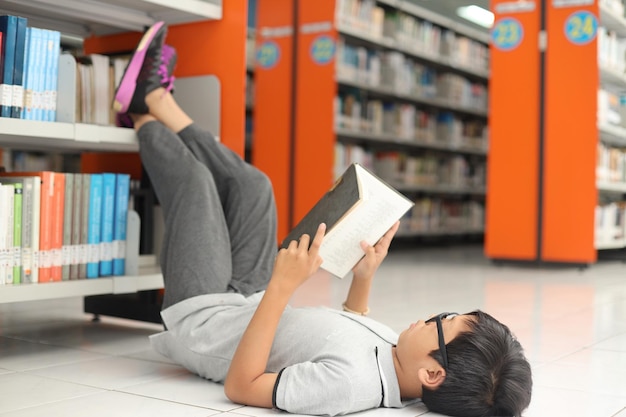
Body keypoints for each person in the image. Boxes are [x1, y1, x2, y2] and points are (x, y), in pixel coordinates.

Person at [113, 22, 533, 417]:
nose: (432, 318)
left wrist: (283, 286)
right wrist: (364, 275)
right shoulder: (400, 359)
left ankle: (143, 115)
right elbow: (346, 332)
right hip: (250, 300)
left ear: (433, 374)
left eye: (441, 325)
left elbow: (243, 386)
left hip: (204, 319)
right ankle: (156, 100)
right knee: (254, 187)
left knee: (197, 184)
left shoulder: (348, 387)